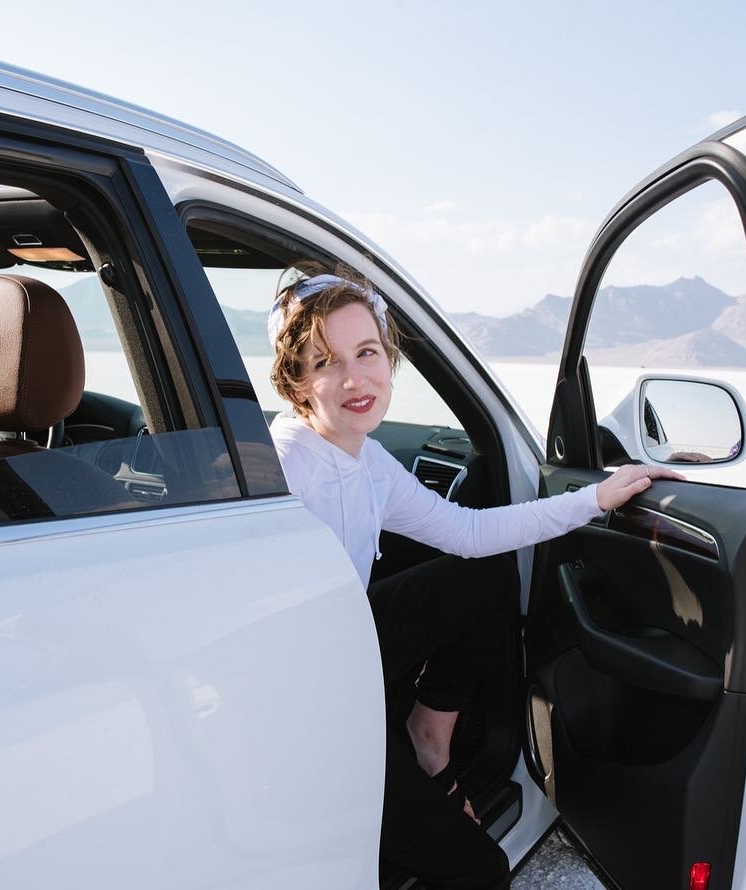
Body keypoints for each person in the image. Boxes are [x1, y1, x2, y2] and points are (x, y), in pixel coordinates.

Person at [266, 265, 682, 890]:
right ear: (296, 382)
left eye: (367, 352)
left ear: (389, 356)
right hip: (308, 700)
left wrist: (594, 500)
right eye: (325, 362)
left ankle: (429, 738)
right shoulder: (286, 468)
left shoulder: (364, 458)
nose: (356, 379)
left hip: (346, 641)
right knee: (478, 870)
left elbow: (467, 534)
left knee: (481, 573)